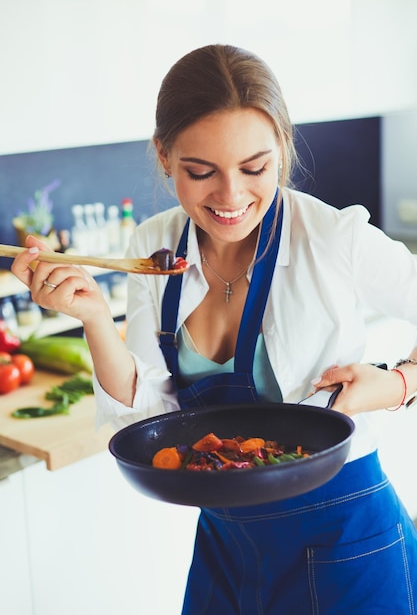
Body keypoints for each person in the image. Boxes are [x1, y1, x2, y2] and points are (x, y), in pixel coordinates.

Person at [11, 44, 417, 614]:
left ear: (281, 147)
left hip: (345, 541)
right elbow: (151, 417)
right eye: (200, 172)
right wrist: (96, 319)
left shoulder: (333, 238)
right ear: (163, 156)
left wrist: (397, 384)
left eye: (255, 169)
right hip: (229, 544)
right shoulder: (153, 251)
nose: (230, 198)